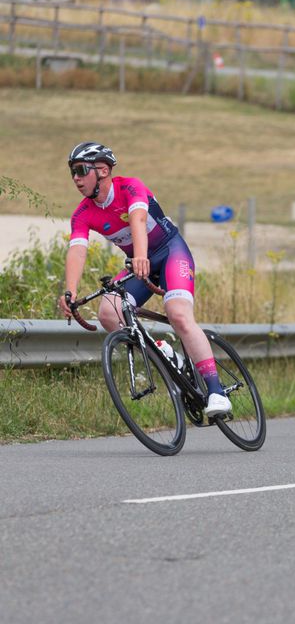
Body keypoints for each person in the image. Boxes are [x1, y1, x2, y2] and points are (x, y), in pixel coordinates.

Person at [57, 142, 231, 418]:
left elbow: (138, 220)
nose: (76, 178)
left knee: (178, 314)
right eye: (72, 173)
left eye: (81, 170)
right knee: (108, 312)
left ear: (102, 171)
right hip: (140, 264)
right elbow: (77, 249)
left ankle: (216, 391)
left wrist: (140, 256)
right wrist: (70, 292)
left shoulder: (130, 187)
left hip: (170, 252)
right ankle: (162, 350)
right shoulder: (83, 213)